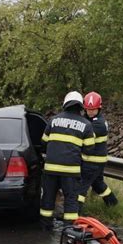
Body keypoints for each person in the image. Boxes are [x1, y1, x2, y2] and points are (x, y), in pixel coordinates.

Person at [40, 91, 95, 229]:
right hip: (71, 171)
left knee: (48, 198)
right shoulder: (86, 125)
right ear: (81, 107)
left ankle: (45, 227)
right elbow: (89, 149)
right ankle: (69, 230)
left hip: (51, 169)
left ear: (65, 104)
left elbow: (43, 143)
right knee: (71, 200)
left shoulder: (53, 120)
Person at [77, 91, 118, 212]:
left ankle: (75, 212)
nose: (90, 112)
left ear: (99, 108)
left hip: (93, 161)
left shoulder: (99, 124)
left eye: (93, 109)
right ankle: (113, 204)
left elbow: (83, 137)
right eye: (88, 109)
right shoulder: (87, 118)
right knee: (98, 184)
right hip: (94, 160)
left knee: (81, 187)